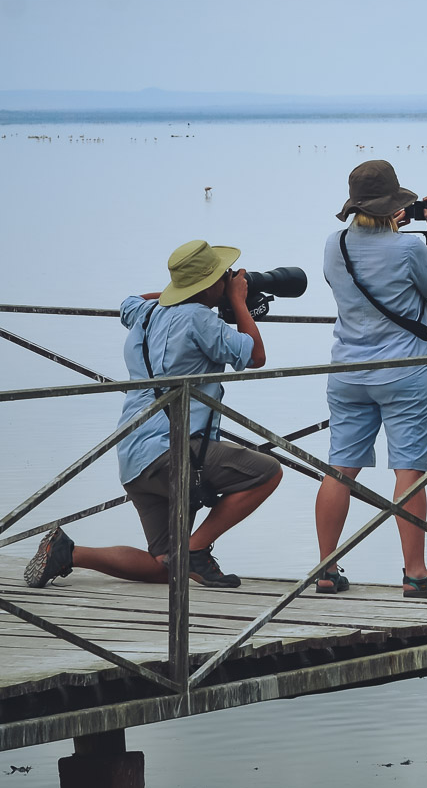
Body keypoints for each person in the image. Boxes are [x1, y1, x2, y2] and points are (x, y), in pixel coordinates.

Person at [25, 240, 283, 589]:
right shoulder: (199, 319)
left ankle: (68, 553)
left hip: (134, 455)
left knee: (166, 566)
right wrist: (237, 300)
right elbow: (255, 356)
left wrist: (182, 292)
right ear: (209, 284)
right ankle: (195, 549)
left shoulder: (146, 313)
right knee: (267, 472)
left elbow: (128, 302)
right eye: (222, 276)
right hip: (173, 453)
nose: (227, 279)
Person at [314, 160, 427, 598]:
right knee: (409, 470)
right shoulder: (408, 248)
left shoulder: (334, 243)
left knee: (340, 468)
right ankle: (416, 575)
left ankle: (325, 570)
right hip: (404, 374)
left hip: (347, 372)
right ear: (394, 205)